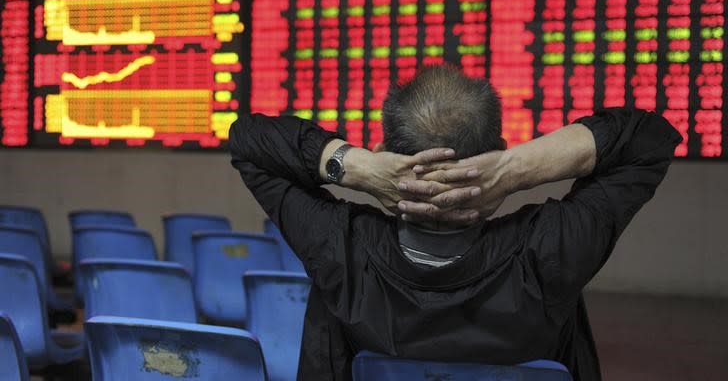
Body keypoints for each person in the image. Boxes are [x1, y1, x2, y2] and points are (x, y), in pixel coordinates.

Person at [229, 66, 681, 381]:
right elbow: (648, 136)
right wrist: (515, 169)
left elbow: (249, 139)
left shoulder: (340, 247)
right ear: (498, 147)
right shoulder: (550, 251)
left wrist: (360, 169)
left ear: (387, 151)